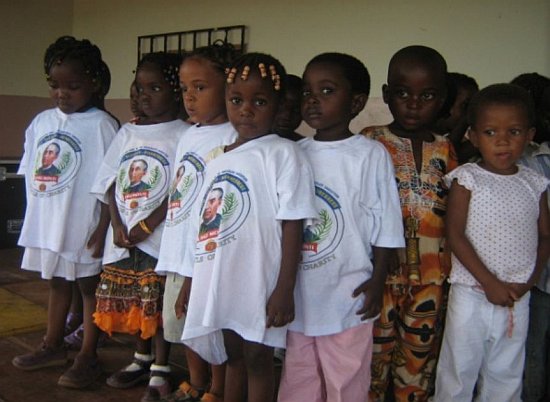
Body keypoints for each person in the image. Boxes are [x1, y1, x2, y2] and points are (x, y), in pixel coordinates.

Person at [180, 52, 317, 402]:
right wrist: (191, 281)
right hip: (220, 277)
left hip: (260, 279)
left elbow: (293, 223)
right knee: (232, 354)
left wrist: (284, 288)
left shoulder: (284, 154)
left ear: (278, 106)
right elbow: (203, 229)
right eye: (236, 100)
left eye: (260, 102)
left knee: (257, 357)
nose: (246, 110)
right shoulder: (217, 158)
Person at [276, 52, 404, 402]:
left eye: (327, 91)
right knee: (299, 376)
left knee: (345, 379)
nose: (312, 100)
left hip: (349, 293)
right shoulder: (294, 153)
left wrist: (378, 281)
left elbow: (386, 222)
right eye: (307, 91)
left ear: (356, 102)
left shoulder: (369, 155)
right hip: (301, 293)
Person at [12, 35, 118, 388]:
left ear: (94, 84)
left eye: (73, 87)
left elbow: (110, 183)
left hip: (83, 224)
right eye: (55, 85)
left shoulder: (103, 125)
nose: (62, 94)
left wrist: (102, 228)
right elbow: (32, 174)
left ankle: (88, 355)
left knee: (89, 286)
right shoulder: (41, 122)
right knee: (57, 282)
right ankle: (53, 344)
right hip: (50, 222)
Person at [433, 83, 550, 401]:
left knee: (506, 373)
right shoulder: (467, 179)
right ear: (473, 136)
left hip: (516, 296)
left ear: (529, 135)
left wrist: (528, 283)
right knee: (459, 371)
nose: (502, 140)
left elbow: (544, 237)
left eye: (514, 131)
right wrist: (489, 283)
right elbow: (455, 235)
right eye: (490, 132)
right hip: (472, 294)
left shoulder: (534, 183)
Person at [361, 45, 457, 402]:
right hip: (379, 273)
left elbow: (455, 209)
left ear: (442, 99)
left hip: (431, 275)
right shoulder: (370, 141)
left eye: (427, 96)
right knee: (373, 355)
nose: (414, 104)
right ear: (387, 94)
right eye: (403, 94)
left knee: (419, 355)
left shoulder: (446, 149)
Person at [91, 51, 189, 402]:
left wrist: (148, 224)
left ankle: (160, 368)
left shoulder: (184, 134)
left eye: (155, 88)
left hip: (158, 237)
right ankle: (140, 357)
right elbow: (110, 181)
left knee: (156, 305)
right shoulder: (128, 132)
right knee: (136, 302)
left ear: (176, 92)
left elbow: (182, 185)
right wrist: (116, 225)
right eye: (139, 87)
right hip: (124, 235)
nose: (143, 95)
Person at [155, 42, 238, 402]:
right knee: (182, 323)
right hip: (178, 248)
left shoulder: (233, 136)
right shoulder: (188, 134)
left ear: (228, 88)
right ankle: (196, 381)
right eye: (185, 88)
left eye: (200, 87)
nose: (189, 97)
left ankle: (217, 388)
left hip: (208, 252)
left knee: (210, 326)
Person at [274, 74, 304, 142]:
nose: (286, 116)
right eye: (280, 106)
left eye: (296, 109)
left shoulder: (304, 146)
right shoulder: (250, 143)